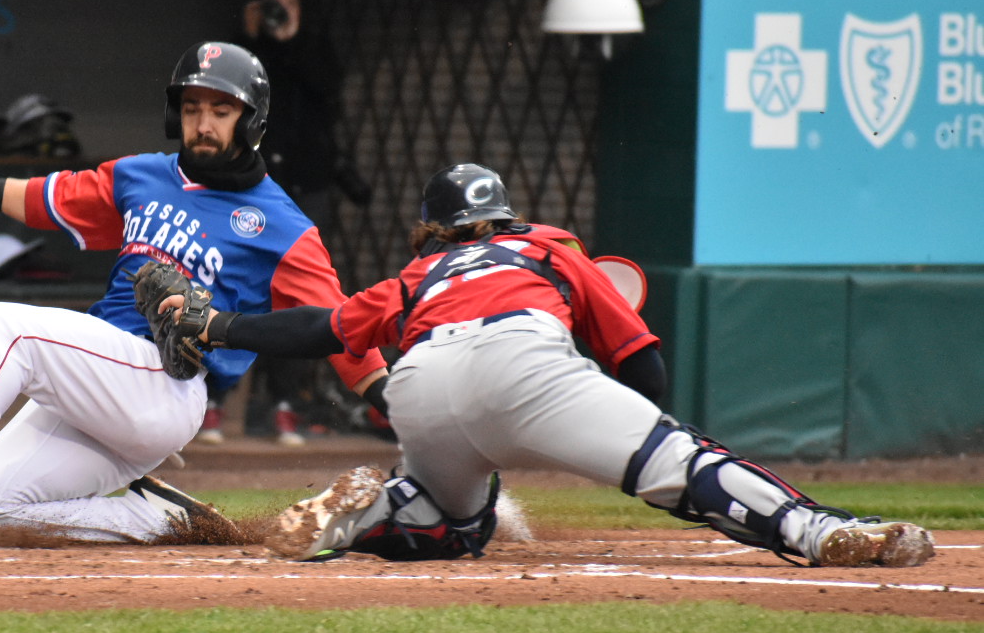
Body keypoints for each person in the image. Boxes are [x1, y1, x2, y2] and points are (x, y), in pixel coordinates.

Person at [147, 163, 935, 569]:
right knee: (677, 462)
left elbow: (323, 329)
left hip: (420, 386)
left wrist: (217, 324)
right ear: (502, 215)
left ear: (432, 229)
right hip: (528, 363)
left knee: (461, 527)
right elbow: (647, 370)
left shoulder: (419, 276)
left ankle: (373, 508)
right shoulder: (547, 246)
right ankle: (814, 529)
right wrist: (605, 419)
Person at [0, 40, 388, 548]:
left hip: (169, 386)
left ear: (251, 121)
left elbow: (340, 328)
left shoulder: (282, 224)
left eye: (221, 111)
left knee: (8, 326)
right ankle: (163, 518)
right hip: (101, 376)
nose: (203, 123)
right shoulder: (141, 175)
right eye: (193, 107)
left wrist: (392, 401)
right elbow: (45, 198)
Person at [197, 0, 361, 448]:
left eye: (287, 4)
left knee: (295, 294)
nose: (277, 13)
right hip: (248, 189)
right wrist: (251, 37)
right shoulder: (246, 55)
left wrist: (289, 38)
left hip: (304, 189)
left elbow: (328, 90)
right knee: (229, 284)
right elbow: (232, 94)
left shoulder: (314, 50)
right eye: (271, 5)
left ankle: (284, 404)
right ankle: (215, 398)